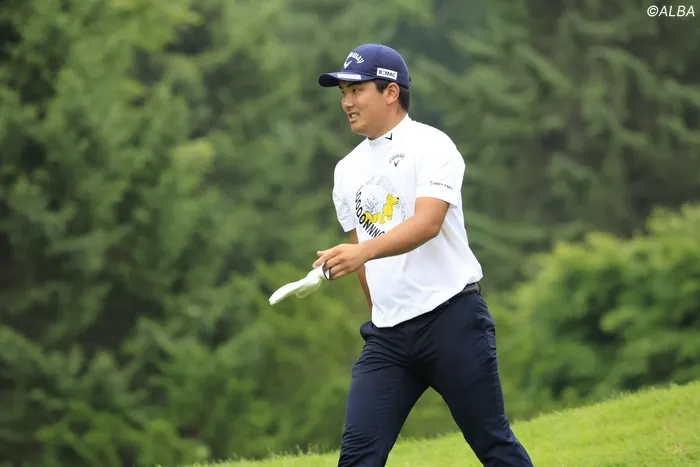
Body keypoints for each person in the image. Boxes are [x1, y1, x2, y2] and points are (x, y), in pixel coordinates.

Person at [312, 43, 534, 467]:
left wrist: (360, 253)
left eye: (356, 91)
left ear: (391, 92)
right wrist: (376, 306)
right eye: (343, 93)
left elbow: (427, 223)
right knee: (357, 457)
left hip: (452, 321)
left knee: (492, 443)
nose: (346, 103)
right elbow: (364, 258)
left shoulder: (432, 145)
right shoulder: (345, 171)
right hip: (388, 338)